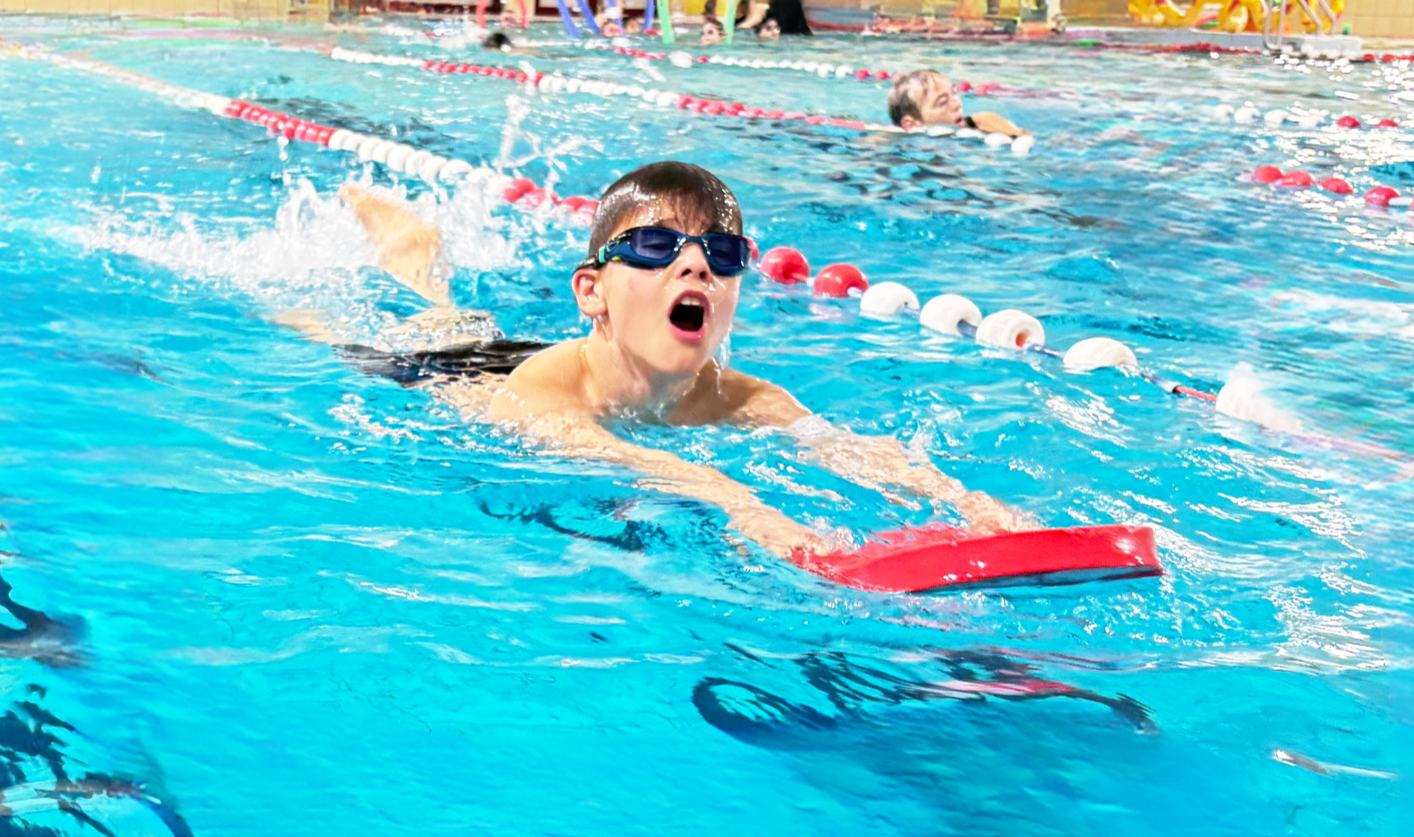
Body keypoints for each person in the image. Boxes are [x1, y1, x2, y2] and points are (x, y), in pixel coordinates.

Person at [324, 164, 1029, 559]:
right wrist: (754, 512)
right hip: (447, 366)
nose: (694, 265)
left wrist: (964, 501)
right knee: (386, 314)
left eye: (721, 256)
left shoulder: (743, 398)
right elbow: (625, 459)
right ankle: (406, 239)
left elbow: (846, 449)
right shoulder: (542, 394)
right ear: (592, 291)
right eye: (658, 248)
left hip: (572, 357)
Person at [887, 68, 1027, 138]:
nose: (957, 103)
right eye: (942, 102)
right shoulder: (900, 144)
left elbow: (1022, 135)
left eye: (954, 93)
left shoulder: (978, 125)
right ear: (911, 124)